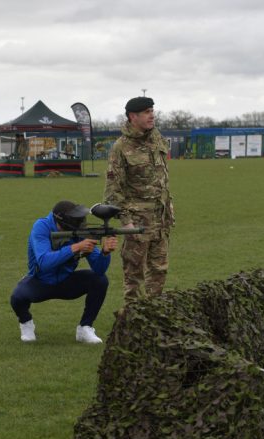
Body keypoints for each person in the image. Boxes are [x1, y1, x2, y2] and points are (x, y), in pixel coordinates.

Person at [9, 200, 117, 344]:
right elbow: (44, 262)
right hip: (40, 281)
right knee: (18, 297)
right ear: (63, 220)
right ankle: (26, 324)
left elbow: (99, 269)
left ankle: (85, 327)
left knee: (100, 280)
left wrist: (104, 253)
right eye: (77, 220)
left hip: (66, 281)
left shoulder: (80, 233)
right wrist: (76, 247)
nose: (81, 222)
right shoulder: (42, 227)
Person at [104, 97, 174, 302]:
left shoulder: (156, 138)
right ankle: (133, 320)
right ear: (133, 117)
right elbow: (112, 190)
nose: (152, 115)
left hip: (160, 218)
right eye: (146, 112)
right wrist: (127, 221)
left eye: (152, 110)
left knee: (159, 270)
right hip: (137, 221)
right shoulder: (121, 147)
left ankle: (154, 317)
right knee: (134, 275)